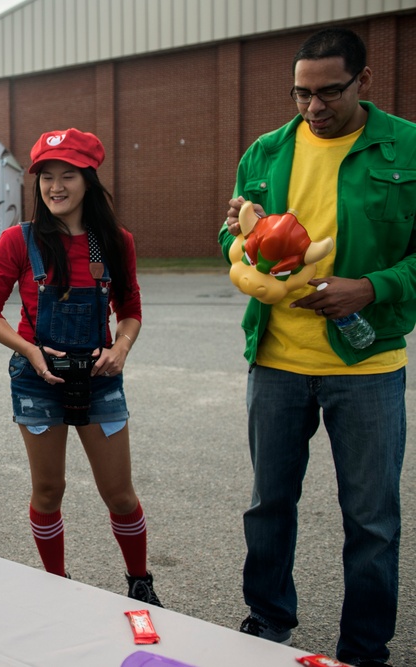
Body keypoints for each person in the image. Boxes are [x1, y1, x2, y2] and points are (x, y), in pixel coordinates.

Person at [219, 27, 414, 667]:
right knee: (268, 506)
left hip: (368, 366)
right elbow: (243, 241)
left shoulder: (407, 149)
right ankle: (269, 622)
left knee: (371, 522)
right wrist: (239, 244)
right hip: (276, 362)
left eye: (329, 92)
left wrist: (372, 287)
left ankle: (363, 650)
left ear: (364, 81)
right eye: (302, 93)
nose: (314, 107)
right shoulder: (266, 151)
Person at [0, 128, 161, 606]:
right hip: (38, 380)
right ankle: (55, 584)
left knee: (119, 494)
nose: (55, 186)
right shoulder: (20, 240)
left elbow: (132, 308)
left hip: (100, 379)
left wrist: (121, 348)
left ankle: (140, 580)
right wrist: (30, 350)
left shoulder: (115, 242)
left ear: (88, 179)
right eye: (46, 177)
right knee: (49, 490)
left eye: (67, 175)